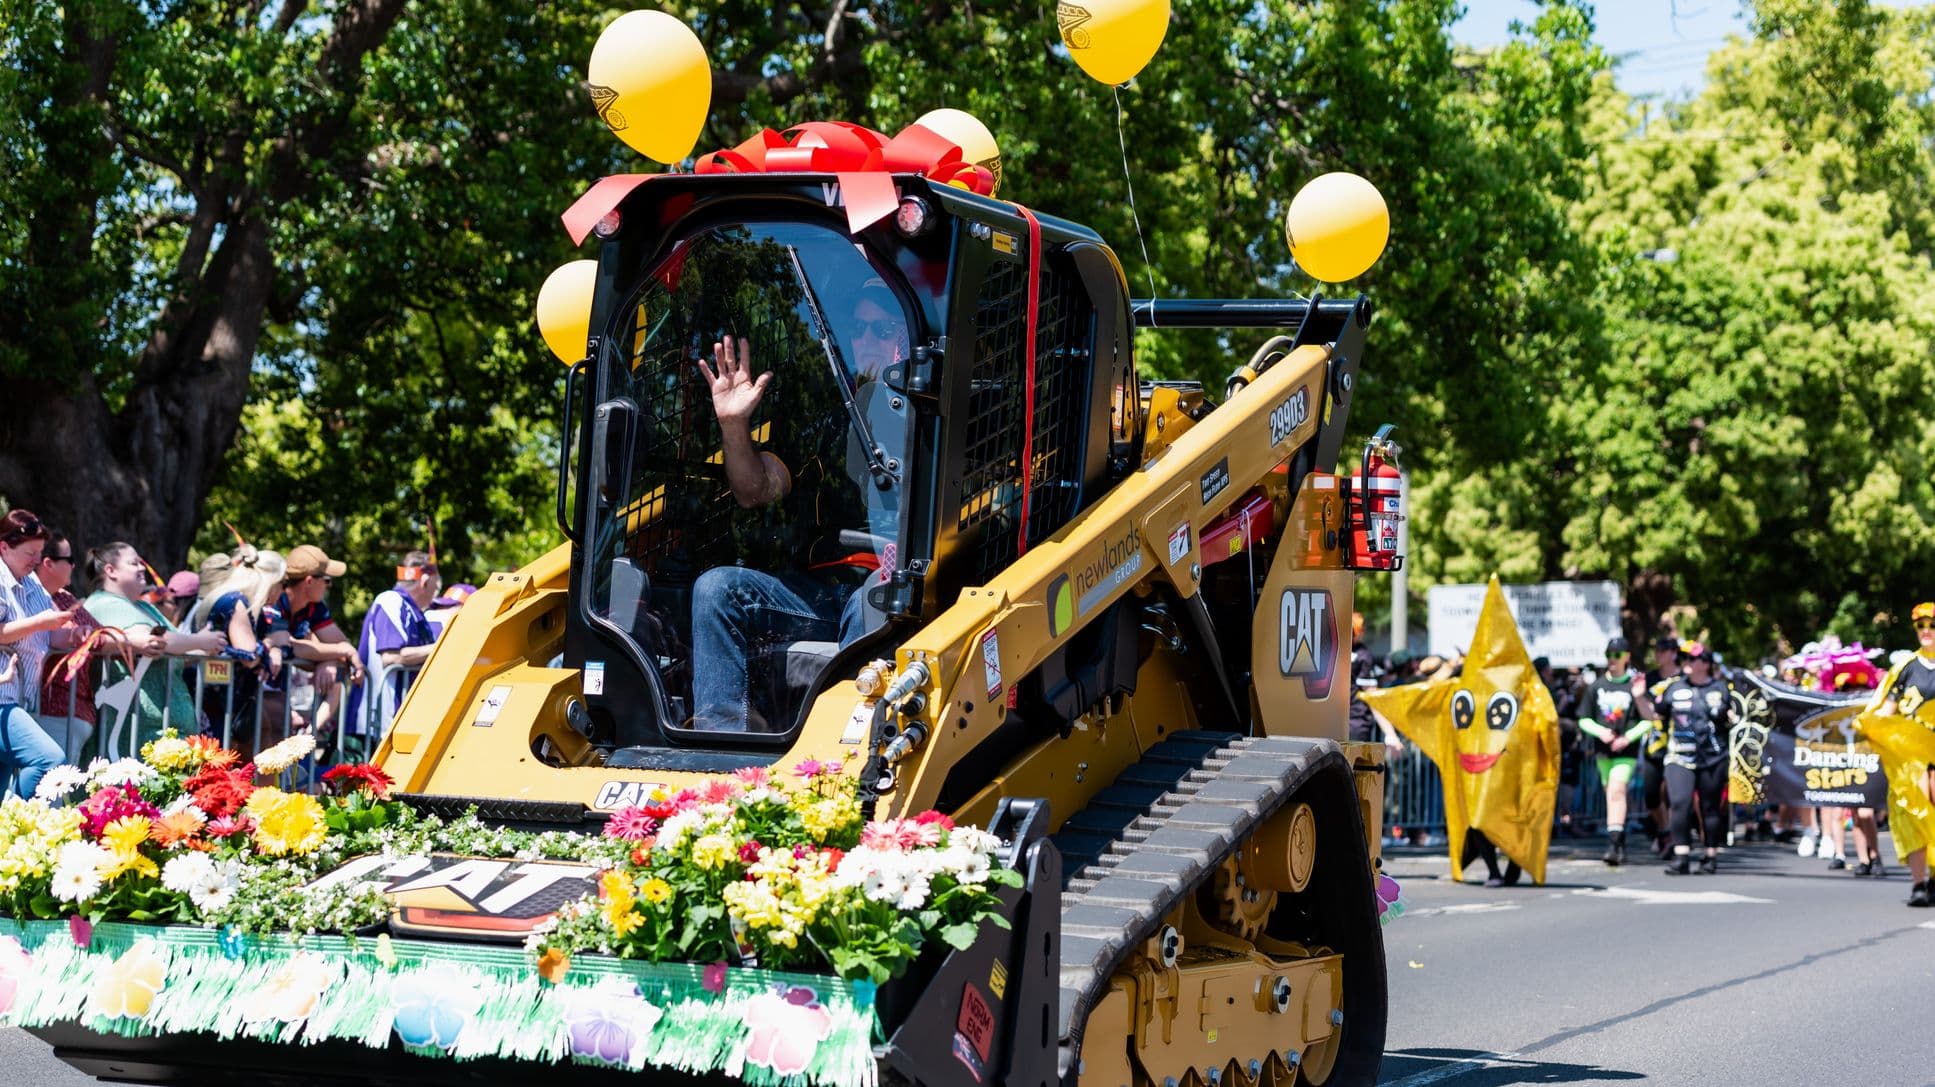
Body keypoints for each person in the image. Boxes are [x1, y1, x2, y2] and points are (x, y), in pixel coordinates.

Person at [686, 284, 907, 732]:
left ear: (904, 338)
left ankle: (837, 746)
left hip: (892, 583)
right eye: (860, 328)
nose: (868, 338)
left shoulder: (930, 414)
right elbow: (755, 489)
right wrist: (733, 425)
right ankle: (723, 745)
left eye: (882, 328)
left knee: (875, 600)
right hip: (818, 588)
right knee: (715, 589)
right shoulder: (826, 415)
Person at [84, 542, 226, 742]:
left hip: (162, 726)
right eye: (134, 563)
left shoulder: (142, 606)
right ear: (110, 570)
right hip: (135, 732)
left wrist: (204, 650)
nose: (142, 567)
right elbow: (157, 641)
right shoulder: (105, 603)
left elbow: (169, 654)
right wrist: (201, 640)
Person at [0, 512, 73, 796]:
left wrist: (75, 636)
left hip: (17, 698)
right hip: (3, 697)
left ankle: (9, 831)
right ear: (4, 547)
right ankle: (20, 822)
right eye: (30, 552)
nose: (36, 560)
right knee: (48, 759)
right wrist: (41, 622)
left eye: (40, 552)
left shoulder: (32, 584)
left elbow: (50, 634)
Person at [197, 547, 292, 753]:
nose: (284, 591)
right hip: (219, 703)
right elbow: (249, 654)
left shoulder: (234, 600)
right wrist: (269, 646)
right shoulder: (236, 601)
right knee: (215, 772)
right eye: (283, 583)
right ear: (269, 580)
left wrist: (271, 647)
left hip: (227, 700)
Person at [1659, 640, 1732, 875]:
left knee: (1710, 806)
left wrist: (1729, 715)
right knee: (1679, 802)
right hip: (1680, 755)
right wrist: (1640, 697)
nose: (1687, 663)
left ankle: (1710, 854)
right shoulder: (1673, 687)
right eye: (1685, 659)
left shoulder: (1720, 688)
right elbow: (1655, 715)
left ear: (1706, 664)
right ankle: (1680, 854)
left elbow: (1733, 718)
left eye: (1692, 659)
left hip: (1713, 756)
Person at [351, 550, 441, 740]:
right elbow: (390, 657)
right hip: (378, 726)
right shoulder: (391, 601)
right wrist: (442, 647)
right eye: (435, 586)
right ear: (425, 581)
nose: (435, 594)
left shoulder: (411, 609)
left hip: (396, 722)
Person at [1879, 602, 1935, 906]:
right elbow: (1887, 709)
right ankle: (1918, 884)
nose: (1926, 631)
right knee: (1912, 815)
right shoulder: (1906, 667)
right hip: (1911, 756)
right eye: (1921, 625)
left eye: (1932, 625)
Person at [1577, 637, 1651, 865]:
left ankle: (1612, 844)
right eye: (1609, 654)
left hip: (1626, 750)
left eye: (1617, 654)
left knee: (1617, 791)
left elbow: (1648, 720)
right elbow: (1584, 719)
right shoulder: (1597, 686)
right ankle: (1619, 842)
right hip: (1603, 750)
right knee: (1611, 793)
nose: (1612, 659)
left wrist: (1628, 737)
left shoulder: (1635, 685)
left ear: (1627, 656)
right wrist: (1600, 732)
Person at [278, 544, 361, 745]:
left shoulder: (315, 606)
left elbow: (341, 642)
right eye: (326, 580)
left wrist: (330, 659)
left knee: (336, 680)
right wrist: (340, 651)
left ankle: (306, 740)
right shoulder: (275, 600)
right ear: (308, 581)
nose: (328, 586)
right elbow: (287, 646)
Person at [1639, 635, 1681, 856]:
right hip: (1655, 741)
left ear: (1673, 653)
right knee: (1651, 793)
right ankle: (1664, 829)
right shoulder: (1649, 679)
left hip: (1679, 741)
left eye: (1663, 650)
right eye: (1657, 649)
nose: (1658, 654)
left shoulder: (1683, 678)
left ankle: (1673, 835)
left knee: (1674, 792)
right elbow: (1644, 711)